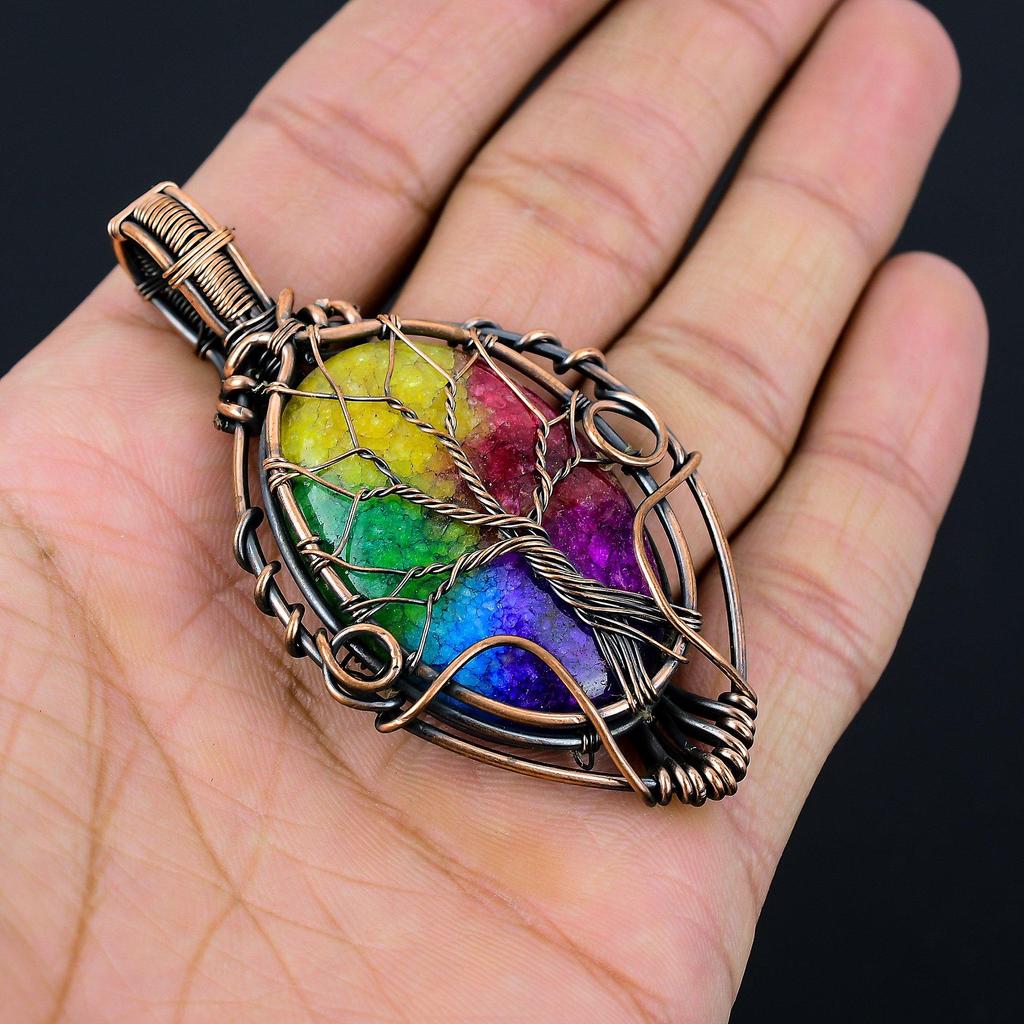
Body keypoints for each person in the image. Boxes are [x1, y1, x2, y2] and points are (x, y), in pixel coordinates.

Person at [0, 0, 986, 1020]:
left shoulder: (337, 417)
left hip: (598, 643)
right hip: (554, 678)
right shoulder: (300, 453)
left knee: (537, 501)